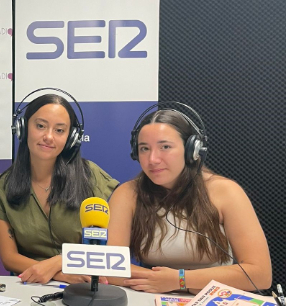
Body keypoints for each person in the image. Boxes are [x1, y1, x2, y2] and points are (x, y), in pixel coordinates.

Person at [107, 108, 272, 293]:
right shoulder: (127, 194)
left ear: (191, 150)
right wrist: (160, 281)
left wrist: (180, 280)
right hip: (152, 294)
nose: (152, 159)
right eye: (144, 148)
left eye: (165, 147)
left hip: (214, 296)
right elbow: (111, 269)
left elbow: (260, 274)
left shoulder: (226, 192)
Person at [0, 93, 119, 284]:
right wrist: (60, 274)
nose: (48, 137)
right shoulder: (1, 187)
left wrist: (59, 262)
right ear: (24, 128)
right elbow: (9, 258)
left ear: (71, 137)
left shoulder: (91, 177)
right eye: (40, 126)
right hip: (31, 285)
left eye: (59, 130)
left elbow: (109, 247)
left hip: (84, 287)